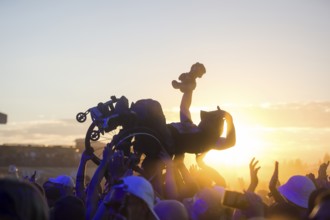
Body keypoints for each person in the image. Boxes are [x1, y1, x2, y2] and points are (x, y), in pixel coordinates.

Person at [169, 62, 236, 154]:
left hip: (165, 137)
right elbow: (184, 107)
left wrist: (229, 118)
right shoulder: (190, 126)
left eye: (209, 118)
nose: (204, 120)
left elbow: (230, 142)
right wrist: (188, 90)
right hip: (163, 132)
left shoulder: (209, 141)